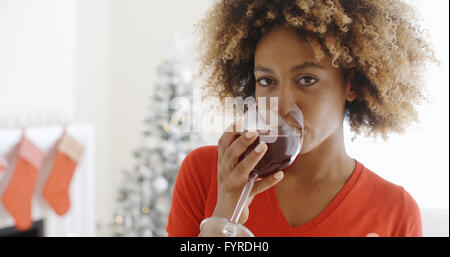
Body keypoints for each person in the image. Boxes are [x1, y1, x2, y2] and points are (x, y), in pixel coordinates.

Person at [166, 0, 437, 237]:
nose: (281, 106)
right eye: (266, 80)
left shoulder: (394, 211)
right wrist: (225, 211)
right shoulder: (204, 173)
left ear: (352, 84)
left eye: (307, 80)